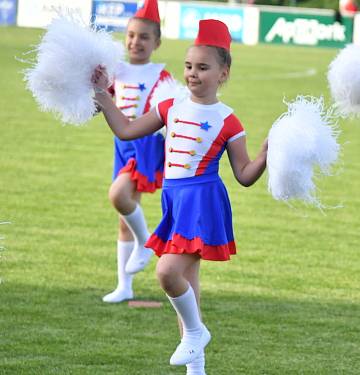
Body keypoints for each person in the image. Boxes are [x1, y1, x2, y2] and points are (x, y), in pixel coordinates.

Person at [91, 19, 268, 372]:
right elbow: (126, 130)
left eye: (203, 68)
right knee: (187, 282)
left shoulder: (228, 120)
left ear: (223, 73)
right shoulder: (169, 106)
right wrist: (100, 94)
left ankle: (196, 332)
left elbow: (245, 175)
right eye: (188, 66)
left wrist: (265, 155)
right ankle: (196, 367)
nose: (192, 74)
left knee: (168, 273)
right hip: (175, 202)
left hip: (203, 205)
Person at [102, 0, 171, 304]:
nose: (135, 42)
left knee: (118, 195)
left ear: (157, 42)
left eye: (144, 36)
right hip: (121, 145)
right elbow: (104, 103)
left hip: (146, 145)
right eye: (131, 35)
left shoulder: (162, 76)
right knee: (124, 214)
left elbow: (170, 112)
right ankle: (124, 285)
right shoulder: (116, 71)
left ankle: (146, 243)